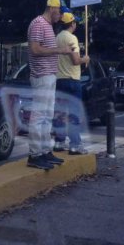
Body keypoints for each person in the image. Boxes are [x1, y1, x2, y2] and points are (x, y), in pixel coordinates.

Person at [26, 0, 75, 170]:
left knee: (47, 115)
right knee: (39, 115)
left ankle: (45, 151)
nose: (61, 16)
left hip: (49, 75)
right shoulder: (39, 24)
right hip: (42, 75)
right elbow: (35, 49)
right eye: (60, 12)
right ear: (52, 8)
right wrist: (60, 50)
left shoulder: (48, 26)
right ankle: (35, 154)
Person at [53, 12, 90, 155]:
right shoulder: (72, 38)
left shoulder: (57, 38)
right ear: (73, 24)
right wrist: (85, 59)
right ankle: (75, 144)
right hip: (72, 80)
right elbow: (75, 60)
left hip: (59, 79)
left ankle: (59, 142)